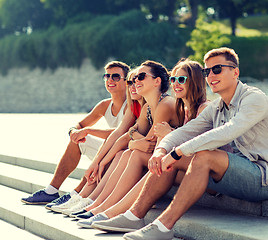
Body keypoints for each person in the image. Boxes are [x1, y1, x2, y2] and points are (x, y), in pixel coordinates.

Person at [93, 47, 268, 240]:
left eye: (217, 69)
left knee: (203, 156)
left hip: (264, 179)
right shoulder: (218, 107)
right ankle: (133, 215)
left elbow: (227, 132)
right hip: (231, 173)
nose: (210, 75)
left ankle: (163, 226)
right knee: (172, 160)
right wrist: (161, 151)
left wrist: (177, 152)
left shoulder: (254, 99)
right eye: (207, 71)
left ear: (235, 72)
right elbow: (186, 131)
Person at [75, 59, 208, 228]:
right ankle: (99, 207)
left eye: (181, 79)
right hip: (179, 163)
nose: (176, 83)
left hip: (199, 171)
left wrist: (166, 135)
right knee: (129, 154)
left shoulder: (173, 105)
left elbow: (154, 144)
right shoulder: (181, 109)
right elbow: (126, 136)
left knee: (140, 156)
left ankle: (110, 211)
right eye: (173, 79)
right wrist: (101, 162)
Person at [52, 60, 179, 216]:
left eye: (140, 77)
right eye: (132, 80)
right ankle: (91, 201)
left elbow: (149, 144)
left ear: (157, 81)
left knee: (128, 154)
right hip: (152, 157)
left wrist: (133, 143)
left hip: (171, 162)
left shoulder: (164, 104)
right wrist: (99, 162)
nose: (135, 82)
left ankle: (99, 205)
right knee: (120, 154)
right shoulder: (146, 107)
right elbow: (125, 134)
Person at [21, 61, 130, 205]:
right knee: (77, 140)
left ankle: (76, 193)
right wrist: (74, 131)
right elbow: (80, 125)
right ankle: (51, 191)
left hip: (124, 156)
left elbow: (122, 133)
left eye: (116, 77)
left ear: (127, 81)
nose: (110, 80)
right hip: (109, 153)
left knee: (106, 142)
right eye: (107, 76)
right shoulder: (104, 105)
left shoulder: (132, 104)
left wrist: (88, 130)